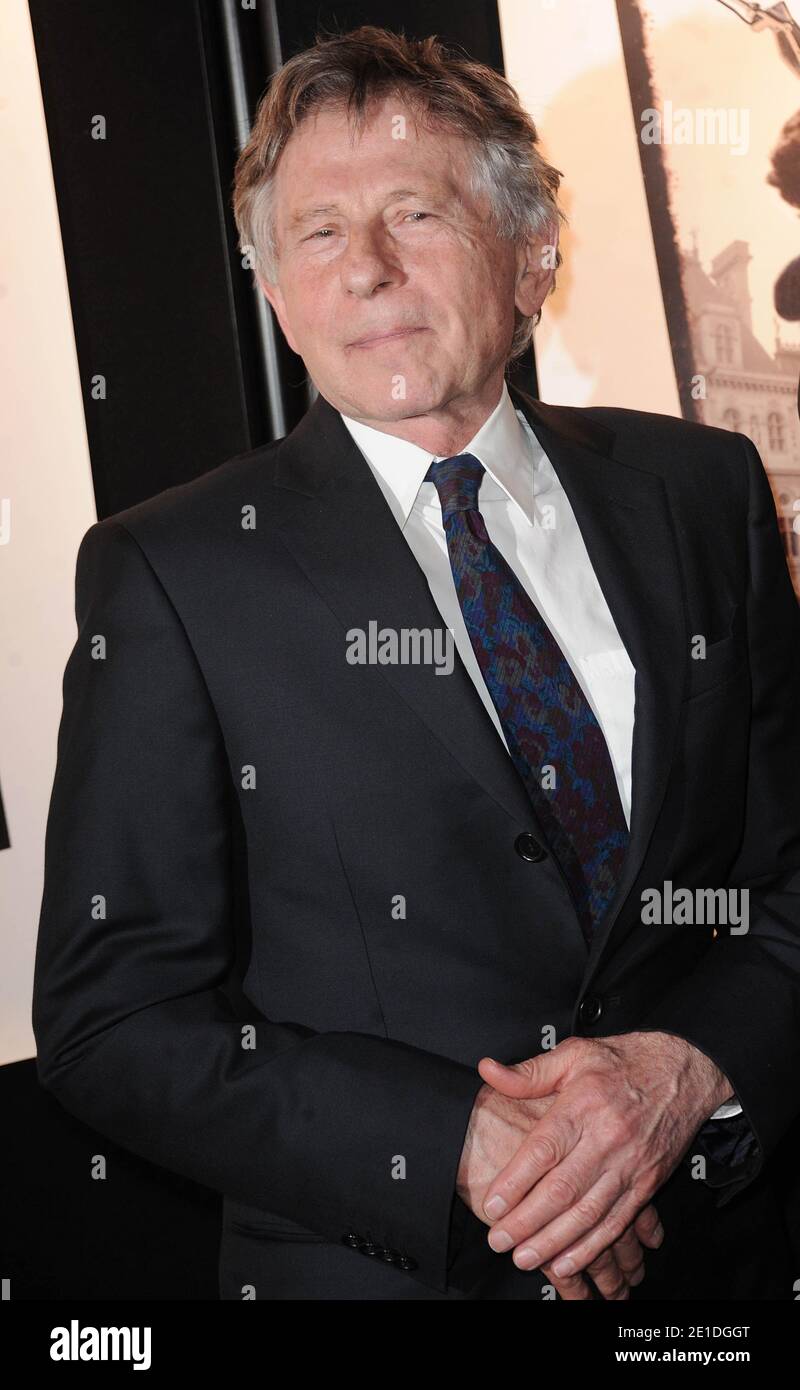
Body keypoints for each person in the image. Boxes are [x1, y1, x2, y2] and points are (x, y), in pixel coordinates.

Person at [32, 26, 800, 1301]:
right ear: (275, 294)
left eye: (414, 211)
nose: (368, 271)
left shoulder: (698, 491)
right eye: (317, 235)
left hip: (716, 1263)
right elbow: (112, 1014)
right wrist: (458, 1146)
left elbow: (782, 872)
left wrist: (683, 1072)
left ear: (529, 253)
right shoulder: (174, 571)